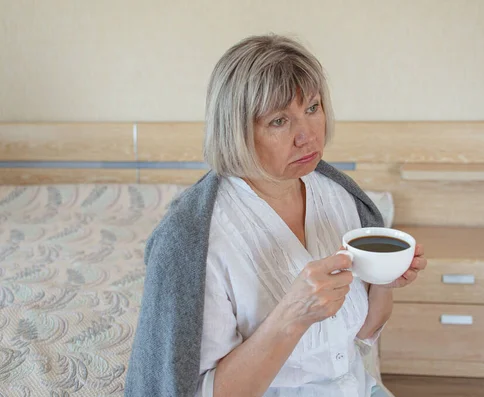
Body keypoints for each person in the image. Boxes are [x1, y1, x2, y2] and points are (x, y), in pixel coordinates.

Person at [125, 34, 427, 397]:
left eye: (312, 108)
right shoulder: (195, 242)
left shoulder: (340, 198)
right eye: (279, 121)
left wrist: (382, 282)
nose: (307, 136)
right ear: (236, 130)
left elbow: (362, 336)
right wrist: (292, 316)